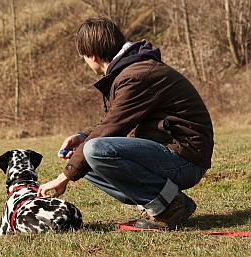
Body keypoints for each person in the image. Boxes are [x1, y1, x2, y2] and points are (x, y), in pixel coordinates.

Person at [37, 17, 214, 230]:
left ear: (92, 56)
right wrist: (82, 137)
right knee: (85, 154)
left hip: (186, 159)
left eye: (83, 57)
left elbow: (110, 128)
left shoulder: (137, 75)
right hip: (173, 153)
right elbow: (113, 120)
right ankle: (162, 204)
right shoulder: (130, 70)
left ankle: (169, 207)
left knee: (93, 150)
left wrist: (63, 177)